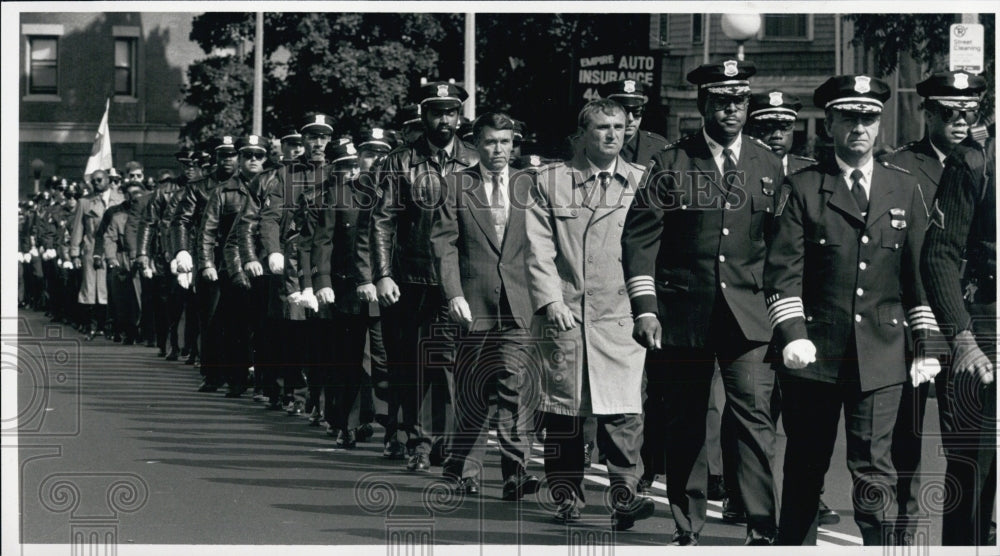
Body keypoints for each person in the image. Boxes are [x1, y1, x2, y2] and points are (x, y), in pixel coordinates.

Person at [764, 75, 943, 545]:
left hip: (883, 353)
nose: (859, 128)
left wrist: (926, 344)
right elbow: (782, 271)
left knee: (873, 469)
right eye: (848, 118)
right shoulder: (803, 188)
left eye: (868, 118)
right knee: (806, 463)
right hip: (815, 353)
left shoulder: (903, 189)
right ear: (830, 124)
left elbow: (920, 275)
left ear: (879, 124)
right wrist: (792, 332)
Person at [622, 60, 783, 546]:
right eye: (721, 101)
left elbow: (780, 246)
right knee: (685, 420)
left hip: (750, 318)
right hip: (683, 314)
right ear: (704, 105)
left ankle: (761, 525)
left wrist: (786, 315)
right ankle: (688, 525)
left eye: (739, 101)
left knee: (754, 420)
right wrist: (645, 308)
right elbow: (640, 240)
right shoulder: (672, 163)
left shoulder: (767, 163)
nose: (731, 109)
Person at [526, 98, 653, 530]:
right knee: (564, 413)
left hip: (621, 315)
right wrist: (551, 302)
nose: (612, 134)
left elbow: (654, 248)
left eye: (619, 126)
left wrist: (648, 309)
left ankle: (624, 495)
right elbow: (538, 249)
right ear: (583, 133)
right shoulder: (551, 181)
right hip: (568, 314)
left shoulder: (642, 181)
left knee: (624, 414)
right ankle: (566, 496)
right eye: (602, 127)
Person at [880, 70, 988, 545]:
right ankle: (905, 524)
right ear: (927, 112)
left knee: (968, 437)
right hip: (915, 317)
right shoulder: (901, 167)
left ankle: (975, 528)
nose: (961, 120)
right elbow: (894, 251)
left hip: (970, 319)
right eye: (948, 111)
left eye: (970, 111)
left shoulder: (984, 164)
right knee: (907, 433)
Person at [430, 112, 542, 500]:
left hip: (518, 302)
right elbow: (443, 244)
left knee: (514, 384)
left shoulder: (531, 185)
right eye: (492, 142)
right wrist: (453, 294)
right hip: (472, 302)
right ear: (477, 143)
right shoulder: (456, 185)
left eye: (506, 142)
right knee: (474, 389)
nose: (500, 150)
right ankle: (466, 467)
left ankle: (516, 470)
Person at [371, 81, 479, 472]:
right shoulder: (401, 161)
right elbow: (383, 221)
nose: (444, 120)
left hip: (457, 280)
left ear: (459, 116)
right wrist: (383, 274)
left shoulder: (473, 159)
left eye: (451, 112)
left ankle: (444, 444)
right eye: (437, 112)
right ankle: (418, 442)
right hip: (411, 277)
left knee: (447, 363)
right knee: (412, 363)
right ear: (424, 115)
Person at [746, 87, 839, 527]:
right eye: (766, 127)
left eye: (784, 126)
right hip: (750, 299)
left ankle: (809, 494)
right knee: (756, 406)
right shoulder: (743, 171)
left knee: (804, 412)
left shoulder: (807, 174)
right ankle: (743, 494)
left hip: (800, 306)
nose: (776, 135)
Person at [921, 134, 996, 546]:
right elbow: (939, 254)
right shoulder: (974, 161)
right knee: (975, 463)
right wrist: (962, 337)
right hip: (986, 326)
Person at [201, 135, 265, 398]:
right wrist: (206, 263)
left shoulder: (274, 186)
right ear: (239, 158)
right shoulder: (222, 191)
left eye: (258, 155)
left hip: (265, 265)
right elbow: (207, 231)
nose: (252, 160)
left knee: (263, 327)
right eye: (247, 155)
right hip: (232, 265)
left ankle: (263, 380)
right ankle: (235, 378)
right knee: (234, 326)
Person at [172, 137, 238, 388]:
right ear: (216, 158)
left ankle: (237, 374)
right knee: (210, 317)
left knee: (238, 318)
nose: (228, 160)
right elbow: (181, 221)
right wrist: (182, 251)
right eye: (223, 155)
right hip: (209, 255)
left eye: (232, 155)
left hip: (238, 257)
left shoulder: (247, 184)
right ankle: (212, 374)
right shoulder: (198, 188)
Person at [70, 169, 124, 340]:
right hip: (91, 249)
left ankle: (109, 325)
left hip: (114, 251)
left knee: (112, 288)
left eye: (99, 180)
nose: (96, 183)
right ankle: (92, 325)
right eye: (93, 181)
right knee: (90, 288)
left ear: (108, 180)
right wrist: (75, 253)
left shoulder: (120, 199)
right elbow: (78, 228)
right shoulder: (85, 202)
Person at [99, 180, 145, 344]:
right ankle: (129, 331)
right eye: (132, 198)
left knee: (143, 298)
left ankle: (144, 330)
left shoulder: (149, 215)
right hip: (123, 260)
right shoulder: (118, 217)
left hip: (145, 260)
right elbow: (109, 238)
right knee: (124, 299)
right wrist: (111, 258)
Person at [599, 79, 669, 168]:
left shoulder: (659, 148)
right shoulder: (590, 144)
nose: (630, 118)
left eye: (636, 112)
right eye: (624, 111)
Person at [747, 89, 817, 175]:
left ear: (793, 129)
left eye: (784, 128)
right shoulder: (741, 168)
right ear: (753, 131)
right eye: (768, 128)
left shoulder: (810, 172)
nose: (777, 135)